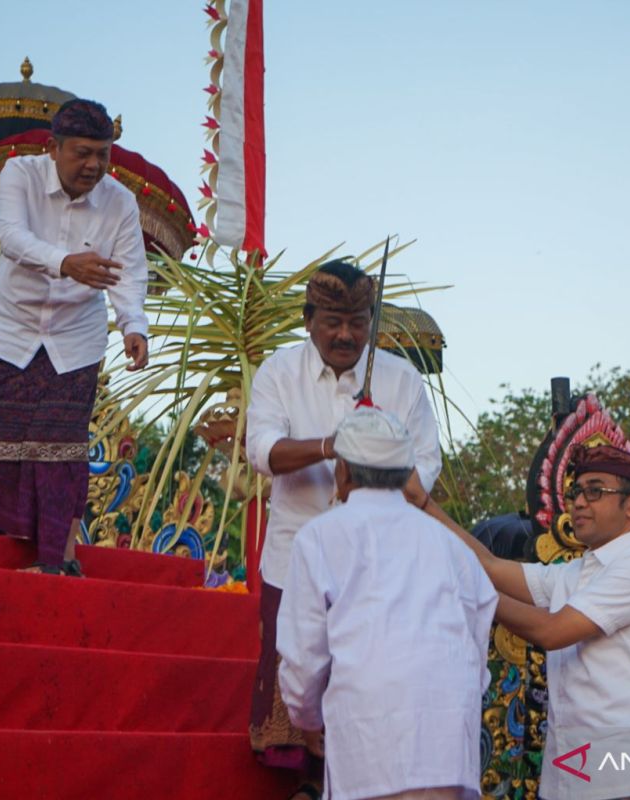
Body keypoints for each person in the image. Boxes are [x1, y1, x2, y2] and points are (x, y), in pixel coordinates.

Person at [246, 258, 442, 798]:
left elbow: (427, 462)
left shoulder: (401, 379)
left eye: (359, 322)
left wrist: (376, 473)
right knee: (303, 672)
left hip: (378, 564)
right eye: (333, 321)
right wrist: (333, 445)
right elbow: (260, 451)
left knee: (365, 677)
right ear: (308, 320)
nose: (346, 334)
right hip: (295, 555)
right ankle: (308, 782)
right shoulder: (278, 373)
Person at [412, 444, 630, 800]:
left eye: (595, 491)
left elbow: (551, 631)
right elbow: (491, 567)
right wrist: (423, 503)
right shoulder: (576, 573)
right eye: (576, 491)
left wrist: (473, 594)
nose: (579, 502)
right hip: (574, 775)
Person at [0, 98, 149, 575]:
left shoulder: (121, 203)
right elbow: (11, 238)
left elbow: (130, 273)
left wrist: (133, 326)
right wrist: (66, 262)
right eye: (82, 152)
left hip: (75, 342)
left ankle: (57, 558)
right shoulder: (20, 175)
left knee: (59, 450)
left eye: (103, 153)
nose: (94, 165)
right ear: (53, 148)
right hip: (9, 332)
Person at [276, 407, 497, 800]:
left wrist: (307, 718)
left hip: (369, 738)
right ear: (405, 474)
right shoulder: (452, 547)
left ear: (342, 470)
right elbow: (478, 639)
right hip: (446, 741)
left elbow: (303, 655)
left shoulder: (321, 537)